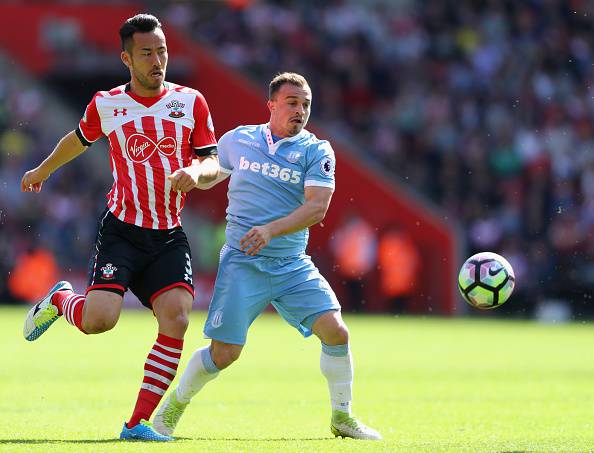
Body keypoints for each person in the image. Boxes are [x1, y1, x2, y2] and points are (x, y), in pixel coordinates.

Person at [21, 14, 219, 442]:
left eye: (162, 51)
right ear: (126, 58)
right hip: (123, 231)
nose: (157, 61)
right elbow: (78, 139)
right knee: (100, 321)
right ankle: (61, 299)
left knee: (177, 318)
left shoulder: (191, 102)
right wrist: (43, 170)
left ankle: (136, 424)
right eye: (146, 53)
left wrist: (195, 171)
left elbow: (211, 160)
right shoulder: (107, 104)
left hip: (168, 234)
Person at [153, 72, 382, 440]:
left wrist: (271, 230)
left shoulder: (316, 151)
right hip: (243, 262)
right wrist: (194, 173)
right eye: (292, 103)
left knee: (336, 332)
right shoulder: (239, 139)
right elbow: (213, 172)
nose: (300, 110)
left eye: (306, 104)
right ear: (271, 105)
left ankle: (342, 416)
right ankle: (174, 406)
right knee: (225, 353)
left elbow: (317, 208)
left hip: (291, 263)